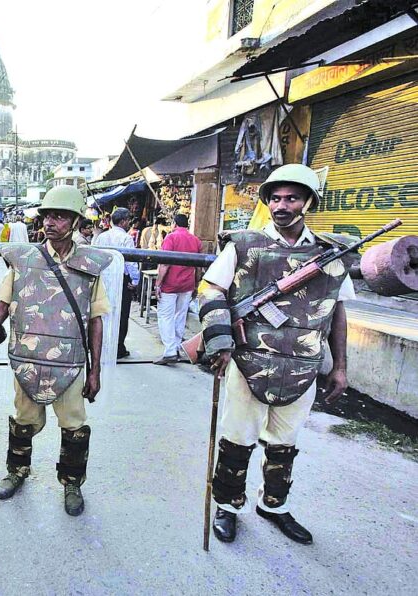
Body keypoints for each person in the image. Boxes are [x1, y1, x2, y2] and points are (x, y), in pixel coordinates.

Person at [201, 164, 354, 545]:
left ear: (308, 203)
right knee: (237, 441)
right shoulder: (244, 244)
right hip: (248, 361)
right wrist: (219, 340)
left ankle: (273, 504)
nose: (282, 205)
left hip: (302, 367)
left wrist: (340, 367)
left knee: (284, 445)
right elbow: (211, 291)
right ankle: (228, 505)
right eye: (276, 198)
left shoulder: (330, 254)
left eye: (292, 198)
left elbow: (337, 312)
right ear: (266, 201)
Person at [0, 186, 112, 516]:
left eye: (59, 216)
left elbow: (96, 321)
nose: (51, 222)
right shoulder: (24, 261)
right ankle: (17, 470)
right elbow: (1, 308)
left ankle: (72, 481)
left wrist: (95, 371)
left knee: (74, 425)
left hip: (70, 364)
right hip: (28, 361)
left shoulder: (89, 266)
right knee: (23, 421)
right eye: (47, 216)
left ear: (75, 221)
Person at [154, 213, 202, 365]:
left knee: (165, 316)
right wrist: (196, 284)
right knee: (180, 316)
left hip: (170, 284)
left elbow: (164, 263)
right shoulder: (195, 240)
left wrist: (158, 284)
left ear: (174, 223)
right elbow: (198, 266)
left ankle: (169, 351)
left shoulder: (171, 238)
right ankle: (175, 348)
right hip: (187, 284)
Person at [93, 208, 136, 359]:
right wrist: (135, 280)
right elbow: (131, 262)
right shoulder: (126, 238)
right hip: (120, 279)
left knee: (103, 312)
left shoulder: (102, 237)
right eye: (128, 220)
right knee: (121, 314)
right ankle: (118, 348)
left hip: (103, 278)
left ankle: (102, 346)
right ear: (123, 221)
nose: (129, 223)